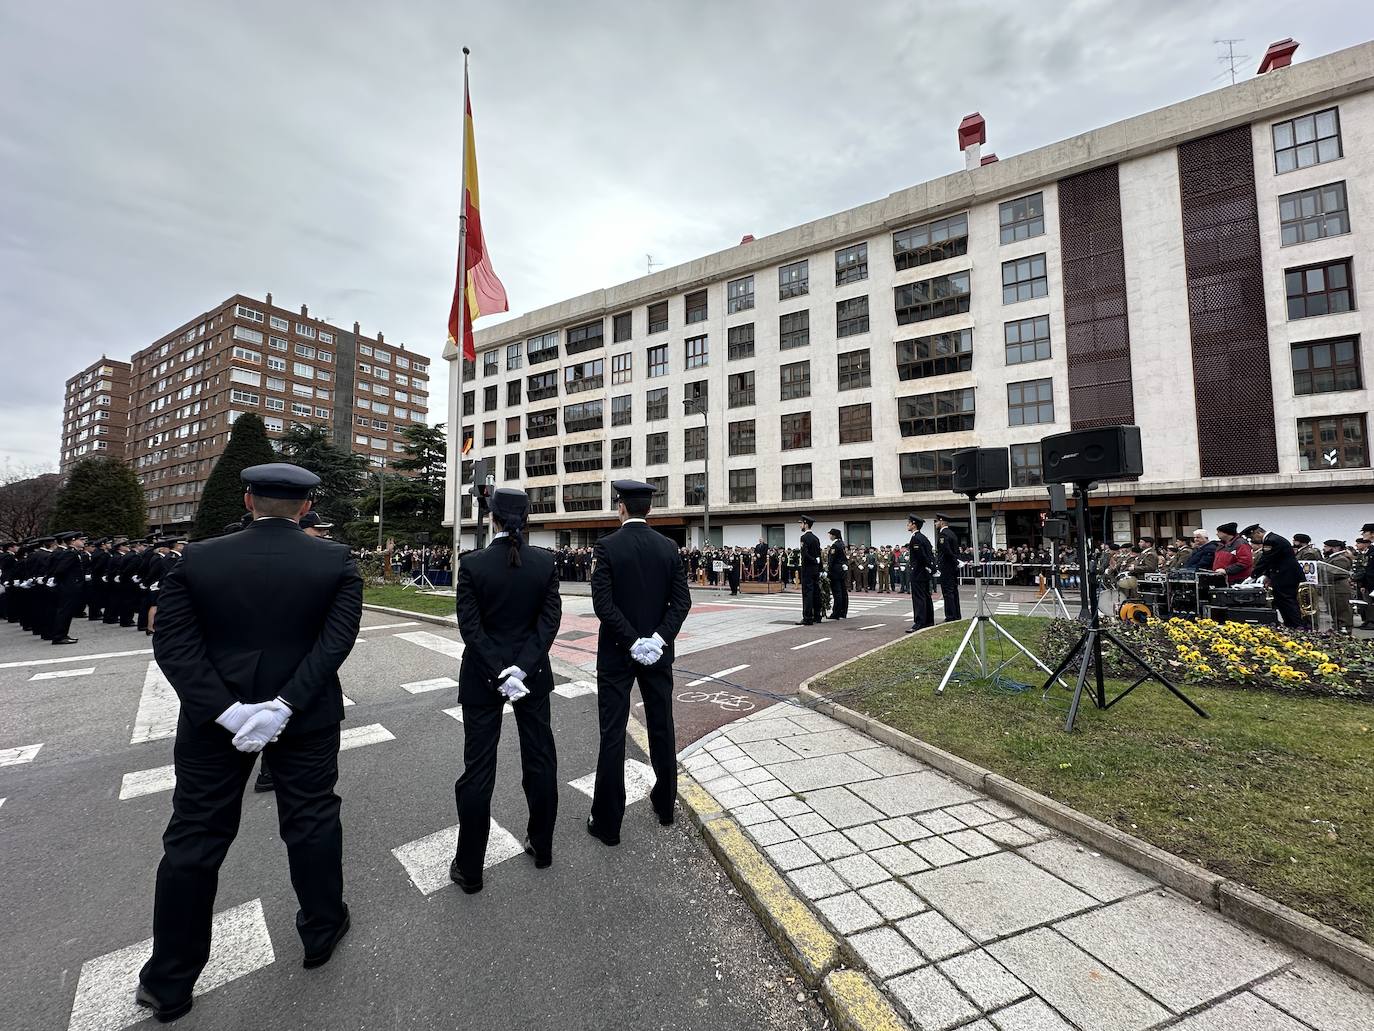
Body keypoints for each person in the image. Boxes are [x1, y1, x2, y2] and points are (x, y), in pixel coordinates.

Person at [136, 463, 362, 1022]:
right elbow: (335, 645)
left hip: (214, 722)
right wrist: (285, 704)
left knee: (195, 837)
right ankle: (320, 929)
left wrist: (229, 711)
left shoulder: (197, 558)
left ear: (247, 500)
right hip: (304, 714)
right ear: (306, 507)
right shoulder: (335, 560)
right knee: (311, 820)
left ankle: (170, 981)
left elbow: (174, 646)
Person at [451, 488, 562, 892]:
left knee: (478, 771)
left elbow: (471, 628)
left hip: (483, 676)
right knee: (540, 760)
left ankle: (470, 867)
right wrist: (522, 669)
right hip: (531, 676)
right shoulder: (544, 563)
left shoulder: (473, 564)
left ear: (492, 518)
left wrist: (500, 670)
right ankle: (543, 845)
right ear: (527, 518)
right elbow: (549, 624)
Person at [588, 480, 692, 845]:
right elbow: (682, 603)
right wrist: (657, 640)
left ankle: (607, 822)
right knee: (662, 726)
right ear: (648, 509)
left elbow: (603, 605)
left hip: (617, 653)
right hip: (658, 653)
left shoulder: (607, 546)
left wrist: (632, 641)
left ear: (621, 508)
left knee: (613, 733)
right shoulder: (668, 548)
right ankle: (665, 805)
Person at [1243, 522, 1305, 628]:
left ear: (1258, 533)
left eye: (1252, 537)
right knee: (1282, 602)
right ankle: (1290, 625)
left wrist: (1253, 575)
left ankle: (1297, 626)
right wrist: (1266, 574)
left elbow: (1266, 559)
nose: (1252, 540)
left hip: (1286, 576)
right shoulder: (1273, 539)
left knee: (1288, 602)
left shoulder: (1271, 540)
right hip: (1283, 575)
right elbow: (1274, 559)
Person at [47, 530, 87, 645]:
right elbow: (60, 570)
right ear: (73, 541)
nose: (83, 541)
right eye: (80, 539)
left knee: (67, 612)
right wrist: (69, 583)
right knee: (64, 612)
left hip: (70, 586)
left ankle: (63, 635)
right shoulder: (70, 553)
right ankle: (59, 636)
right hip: (68, 588)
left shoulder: (73, 552)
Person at [905, 515, 935, 633]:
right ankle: (928, 620)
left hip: (918, 572)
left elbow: (921, 556)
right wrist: (931, 568)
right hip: (924, 572)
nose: (907, 525)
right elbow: (929, 554)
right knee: (926, 596)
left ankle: (919, 622)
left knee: (919, 598)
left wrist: (928, 567)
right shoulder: (923, 537)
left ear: (914, 524)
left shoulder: (916, 538)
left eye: (909, 523)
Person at [1322, 540, 1354, 633]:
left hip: (1339, 589)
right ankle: (1337, 628)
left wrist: (1322, 576)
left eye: (1326, 547)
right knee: (1334, 610)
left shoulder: (1340, 559)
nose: (1324, 549)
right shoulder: (1332, 558)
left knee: (1342, 611)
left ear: (1335, 548)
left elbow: (1339, 573)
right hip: (1332, 588)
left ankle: (1344, 629)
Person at [934, 514, 962, 621]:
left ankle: (950, 616)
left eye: (936, 522)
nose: (936, 524)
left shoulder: (943, 535)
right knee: (954, 591)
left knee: (947, 592)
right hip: (952, 566)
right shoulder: (952, 534)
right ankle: (956, 615)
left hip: (946, 566)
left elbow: (946, 551)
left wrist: (954, 560)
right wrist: (956, 561)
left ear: (941, 522)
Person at [798, 515, 822, 626]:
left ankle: (807, 617)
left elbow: (805, 554)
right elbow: (818, 555)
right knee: (816, 592)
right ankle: (817, 615)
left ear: (806, 524)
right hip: (815, 569)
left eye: (801, 523)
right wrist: (818, 565)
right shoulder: (816, 538)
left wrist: (813, 560)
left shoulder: (804, 538)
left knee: (808, 593)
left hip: (807, 568)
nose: (800, 525)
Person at [826, 528, 848, 619]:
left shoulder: (835, 545)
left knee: (837, 593)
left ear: (834, 535)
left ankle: (836, 613)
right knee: (843, 592)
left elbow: (831, 560)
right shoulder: (842, 544)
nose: (829, 536)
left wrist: (828, 571)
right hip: (842, 570)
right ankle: (843, 612)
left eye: (830, 534)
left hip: (835, 571)